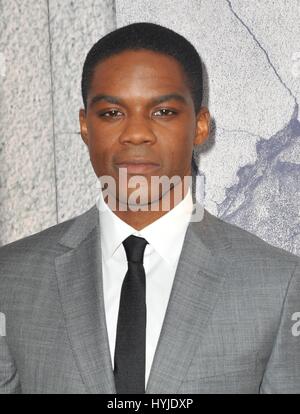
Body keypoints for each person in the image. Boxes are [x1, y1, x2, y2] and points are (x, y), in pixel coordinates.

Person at [0, 22, 299, 394]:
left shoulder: (279, 283)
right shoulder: (10, 279)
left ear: (201, 126)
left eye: (163, 112)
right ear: (85, 126)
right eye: (111, 112)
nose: (136, 133)